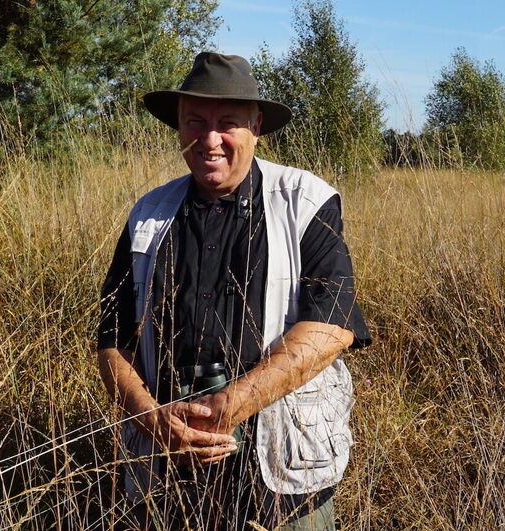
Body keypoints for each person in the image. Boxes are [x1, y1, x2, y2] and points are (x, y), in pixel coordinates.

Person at [96, 52, 371, 530]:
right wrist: (150, 415)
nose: (210, 139)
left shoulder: (307, 201)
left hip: (284, 466)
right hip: (167, 461)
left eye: (227, 123)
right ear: (179, 128)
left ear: (256, 125)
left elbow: (332, 327)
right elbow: (111, 338)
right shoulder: (148, 213)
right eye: (195, 121)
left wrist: (233, 404)